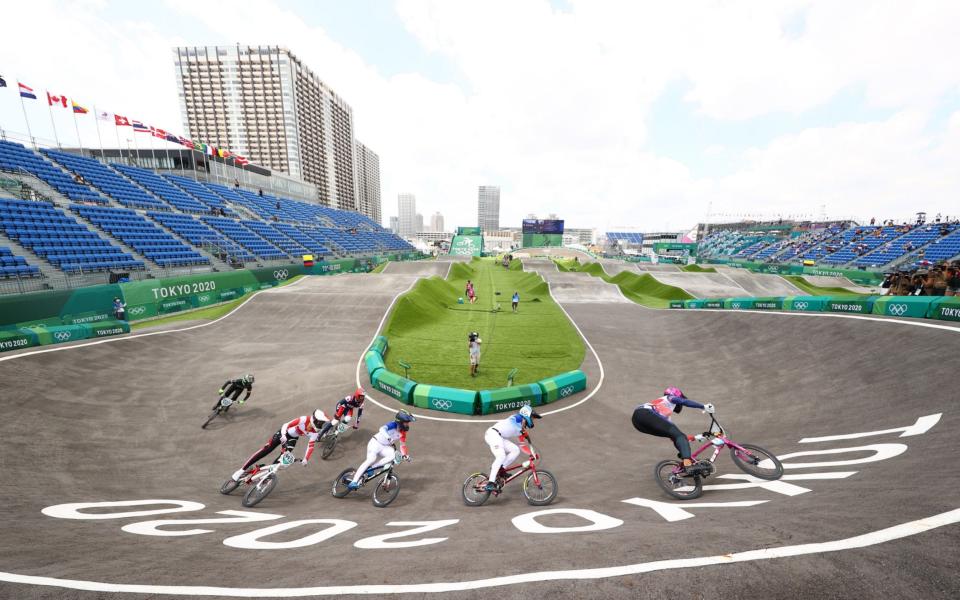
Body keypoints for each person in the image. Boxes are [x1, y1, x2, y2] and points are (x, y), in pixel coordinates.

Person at [632, 387, 716, 475]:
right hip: (644, 414)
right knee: (678, 436)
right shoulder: (668, 398)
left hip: (638, 423)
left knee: (676, 435)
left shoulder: (664, 417)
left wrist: (695, 437)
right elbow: (684, 402)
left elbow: (676, 438)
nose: (680, 405)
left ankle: (686, 460)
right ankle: (687, 464)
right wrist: (703, 406)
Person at [230, 409, 330, 481]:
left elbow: (311, 446)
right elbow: (286, 425)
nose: (321, 426)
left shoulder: (315, 432)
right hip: (283, 433)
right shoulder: (304, 419)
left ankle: (267, 474)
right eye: (321, 423)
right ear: (315, 420)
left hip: (292, 438)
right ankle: (241, 470)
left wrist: (306, 459)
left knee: (283, 460)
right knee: (267, 449)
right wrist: (283, 435)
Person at [346, 410, 415, 490]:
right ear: (401, 421)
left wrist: (405, 455)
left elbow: (402, 445)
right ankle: (353, 481)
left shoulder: (403, 433)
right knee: (371, 459)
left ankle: (371, 468)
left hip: (384, 447)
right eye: (406, 422)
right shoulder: (393, 424)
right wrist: (388, 437)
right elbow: (382, 429)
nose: (407, 424)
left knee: (393, 454)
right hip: (375, 443)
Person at [483, 404, 542, 492]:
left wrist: (531, 453)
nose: (533, 420)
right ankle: (490, 483)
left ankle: (501, 468)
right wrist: (523, 431)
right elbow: (520, 419)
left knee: (515, 450)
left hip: (500, 437)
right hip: (493, 434)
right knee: (501, 456)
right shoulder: (517, 418)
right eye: (532, 417)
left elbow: (523, 445)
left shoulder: (521, 429)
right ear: (526, 414)